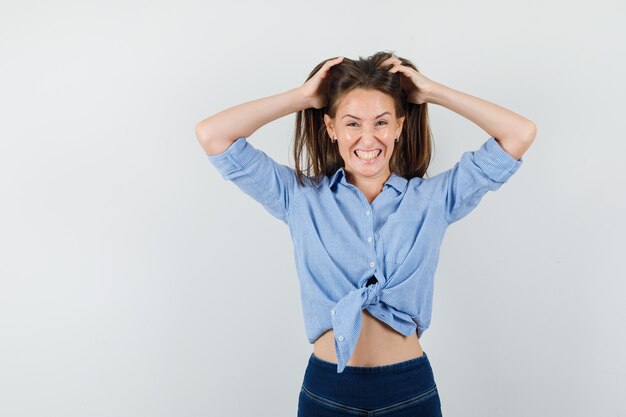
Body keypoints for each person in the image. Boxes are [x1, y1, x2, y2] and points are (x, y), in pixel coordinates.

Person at [196, 51, 536, 416]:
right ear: (331, 128)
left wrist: (433, 92)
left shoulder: (433, 200)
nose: (368, 137)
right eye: (353, 123)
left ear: (400, 127)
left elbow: (519, 133)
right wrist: (302, 97)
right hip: (328, 391)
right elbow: (213, 135)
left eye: (381, 122)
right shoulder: (299, 198)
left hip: (410, 392)